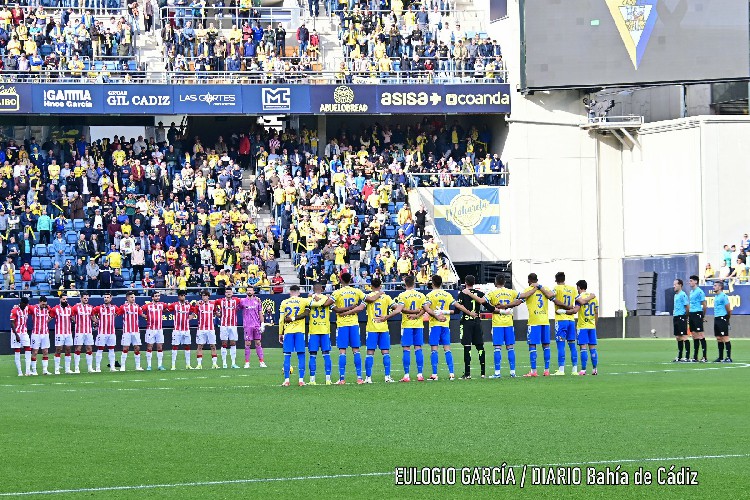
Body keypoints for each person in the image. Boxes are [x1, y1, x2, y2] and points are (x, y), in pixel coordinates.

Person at [472, 275, 519, 378]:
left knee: (497, 348)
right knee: (510, 347)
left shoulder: (492, 293)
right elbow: (522, 297)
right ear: (504, 282)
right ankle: (513, 372)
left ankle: (497, 373)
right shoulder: (511, 292)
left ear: (495, 282)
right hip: (509, 323)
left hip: (497, 324)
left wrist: (470, 294)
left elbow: (481, 301)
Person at [386, 275, 427, 382]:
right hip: (418, 325)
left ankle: (406, 375)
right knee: (418, 348)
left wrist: (386, 317)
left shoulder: (402, 295)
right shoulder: (421, 295)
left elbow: (400, 309)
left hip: (407, 324)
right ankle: (420, 374)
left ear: (405, 284)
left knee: (406, 349)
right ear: (414, 283)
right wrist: (417, 315)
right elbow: (425, 308)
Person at [330, 272, 367, 384]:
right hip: (354, 324)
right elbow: (367, 299)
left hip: (342, 324)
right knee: (356, 350)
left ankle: (342, 379)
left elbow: (330, 304)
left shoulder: (337, 292)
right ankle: (359, 378)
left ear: (341, 280)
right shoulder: (356, 291)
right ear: (350, 280)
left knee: (342, 351)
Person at [517, 273, 554, 377]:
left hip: (534, 322)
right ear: (537, 280)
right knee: (546, 345)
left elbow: (518, 301)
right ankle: (546, 371)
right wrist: (540, 287)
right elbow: (551, 295)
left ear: (529, 280)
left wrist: (505, 306)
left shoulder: (528, 290)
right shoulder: (545, 289)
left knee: (532, 345)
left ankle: (534, 371)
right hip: (545, 321)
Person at [455, 275, 488, 379]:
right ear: (474, 283)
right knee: (480, 347)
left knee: (467, 347)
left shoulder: (462, 293)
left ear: (465, 282)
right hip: (477, 322)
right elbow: (487, 305)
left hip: (466, 322)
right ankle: (483, 373)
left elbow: (457, 310)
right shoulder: (480, 293)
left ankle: (467, 373)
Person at [279, 285, 311, 386]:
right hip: (300, 331)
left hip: (288, 331)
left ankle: (286, 380)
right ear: (299, 292)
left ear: (290, 292)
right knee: (301, 355)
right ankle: (301, 380)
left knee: (287, 355)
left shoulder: (284, 302)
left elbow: (281, 320)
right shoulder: (304, 301)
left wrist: (280, 333)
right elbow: (313, 305)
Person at [364, 278, 394, 383]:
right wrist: (386, 316)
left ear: (371, 286)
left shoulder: (368, 296)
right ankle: (387, 377)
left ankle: (368, 378)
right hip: (383, 327)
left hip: (372, 327)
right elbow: (396, 308)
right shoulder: (386, 297)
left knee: (370, 352)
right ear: (380, 286)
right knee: (385, 352)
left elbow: (361, 307)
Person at [550, 272, 579, 375]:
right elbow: (579, 300)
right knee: (572, 345)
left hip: (561, 320)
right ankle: (574, 370)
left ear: (556, 280)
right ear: (564, 279)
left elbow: (550, 295)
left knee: (561, 345)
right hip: (571, 320)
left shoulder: (557, 288)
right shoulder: (572, 289)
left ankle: (561, 370)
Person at [569, 280, 599, 375]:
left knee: (583, 347)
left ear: (578, 287)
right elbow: (596, 312)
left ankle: (583, 370)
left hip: (582, 326)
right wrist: (595, 324)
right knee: (592, 348)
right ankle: (594, 369)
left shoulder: (579, 297)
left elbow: (576, 309)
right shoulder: (594, 297)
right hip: (591, 326)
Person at [307, 282, 333, 385]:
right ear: (322, 289)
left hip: (314, 330)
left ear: (313, 289)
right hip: (325, 330)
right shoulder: (327, 298)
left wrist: (312, 296)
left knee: (312, 355)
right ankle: (328, 379)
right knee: (326, 355)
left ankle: (312, 380)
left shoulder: (310, 299)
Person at [238, 287, 266, 368]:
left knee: (258, 343)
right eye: (248, 290)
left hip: (256, 325)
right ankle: (247, 362)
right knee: (248, 344)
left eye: (251, 290)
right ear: (246, 292)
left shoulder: (257, 301)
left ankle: (261, 362)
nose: (249, 291)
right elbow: (236, 308)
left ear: (253, 292)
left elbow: (260, 313)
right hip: (247, 325)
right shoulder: (242, 301)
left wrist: (262, 324)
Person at [116, 291, 143, 371]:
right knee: (125, 348)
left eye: (134, 297)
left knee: (137, 348)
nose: (133, 299)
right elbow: (116, 314)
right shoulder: (123, 307)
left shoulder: (137, 307)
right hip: (126, 331)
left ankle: (138, 366)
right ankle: (123, 366)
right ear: (127, 298)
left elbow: (142, 315)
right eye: (131, 297)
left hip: (136, 331)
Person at [192, 290, 219, 369]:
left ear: (208, 296)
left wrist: (222, 314)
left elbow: (217, 313)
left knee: (213, 345)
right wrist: (186, 318)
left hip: (211, 329)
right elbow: (193, 314)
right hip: (201, 329)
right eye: (203, 296)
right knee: (200, 346)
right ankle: (199, 364)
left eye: (205, 295)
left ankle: (214, 364)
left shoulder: (212, 305)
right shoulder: (198, 305)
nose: (204, 297)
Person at [166, 291, 194, 370]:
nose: (183, 297)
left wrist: (192, 316)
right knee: (175, 346)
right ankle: (173, 365)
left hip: (186, 329)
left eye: (184, 295)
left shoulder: (188, 305)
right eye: (181, 295)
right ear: (178, 297)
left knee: (187, 346)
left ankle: (188, 365)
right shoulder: (175, 305)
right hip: (177, 330)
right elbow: (166, 309)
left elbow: (195, 310)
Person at [92, 293, 118, 373]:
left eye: (107, 297)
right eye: (105, 297)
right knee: (100, 349)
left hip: (111, 332)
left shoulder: (114, 308)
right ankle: (97, 368)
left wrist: (114, 317)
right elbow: (91, 313)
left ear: (111, 298)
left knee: (112, 349)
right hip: (102, 332)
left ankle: (112, 367)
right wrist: (95, 320)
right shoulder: (99, 308)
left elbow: (118, 313)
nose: (106, 299)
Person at [140, 290, 166, 371]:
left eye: (158, 296)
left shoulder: (162, 305)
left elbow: (168, 309)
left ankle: (160, 365)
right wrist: (145, 316)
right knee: (149, 346)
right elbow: (139, 310)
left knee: (160, 346)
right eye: (156, 296)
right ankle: (149, 365)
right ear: (152, 297)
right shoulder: (148, 306)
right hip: (150, 329)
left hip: (159, 329)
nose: (157, 297)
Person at [217, 288, 241, 368]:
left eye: (229, 292)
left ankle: (233, 363)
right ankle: (224, 363)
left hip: (233, 325)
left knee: (233, 343)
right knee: (224, 343)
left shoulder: (236, 300)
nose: (228, 293)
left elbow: (245, 301)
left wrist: (256, 298)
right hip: (224, 325)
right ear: (225, 293)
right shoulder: (221, 301)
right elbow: (212, 303)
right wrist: (216, 313)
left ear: (232, 293)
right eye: (227, 292)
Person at [28, 296, 52, 376]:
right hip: (36, 333)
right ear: (39, 302)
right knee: (35, 351)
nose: (44, 306)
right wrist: (16, 306)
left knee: (45, 351)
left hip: (45, 333)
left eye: (45, 304)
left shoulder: (48, 308)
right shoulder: (33, 308)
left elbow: (52, 314)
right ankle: (34, 370)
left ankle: (45, 370)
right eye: (43, 304)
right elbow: (24, 308)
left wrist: (47, 321)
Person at [49, 296, 74, 375]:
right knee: (58, 349)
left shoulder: (70, 308)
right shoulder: (55, 309)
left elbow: (73, 318)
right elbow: (49, 318)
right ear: (60, 299)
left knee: (68, 349)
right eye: (63, 299)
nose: (65, 300)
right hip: (59, 332)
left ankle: (67, 369)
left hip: (68, 332)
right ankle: (57, 369)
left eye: (66, 299)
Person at [71, 293, 95, 373]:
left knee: (89, 348)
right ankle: (76, 367)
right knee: (78, 348)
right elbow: (71, 316)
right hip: (79, 332)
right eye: (85, 298)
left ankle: (90, 367)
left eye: (87, 298)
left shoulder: (90, 307)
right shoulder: (76, 307)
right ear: (81, 298)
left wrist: (98, 321)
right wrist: (77, 322)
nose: (86, 299)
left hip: (88, 331)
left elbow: (92, 317)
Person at [688, 275, 708, 362]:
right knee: (694, 335)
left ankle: (704, 357)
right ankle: (695, 356)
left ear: (696, 281)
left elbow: (704, 305)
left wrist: (702, 316)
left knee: (700, 335)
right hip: (692, 314)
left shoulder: (699, 291)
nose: (689, 282)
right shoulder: (691, 292)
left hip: (697, 313)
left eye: (691, 281)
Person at [10, 296, 32, 377]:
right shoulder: (14, 310)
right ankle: (20, 372)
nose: (26, 305)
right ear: (21, 303)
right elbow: (12, 323)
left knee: (28, 349)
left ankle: (28, 371)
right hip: (16, 332)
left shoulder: (26, 308)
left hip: (24, 332)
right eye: (25, 304)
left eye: (27, 304)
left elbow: (35, 307)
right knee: (17, 350)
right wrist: (16, 335)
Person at [712, 280, 733, 363]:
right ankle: (720, 357)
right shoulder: (716, 296)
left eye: (715, 285)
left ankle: (728, 357)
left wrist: (727, 318)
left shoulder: (723, 296)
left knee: (725, 337)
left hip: (722, 318)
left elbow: (729, 309)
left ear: (720, 287)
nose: (713, 287)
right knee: (718, 338)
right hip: (716, 318)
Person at [672, 279, 690, 362]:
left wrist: (685, 316)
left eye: (675, 284)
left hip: (681, 317)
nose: (674, 286)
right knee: (678, 337)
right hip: (676, 316)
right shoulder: (676, 295)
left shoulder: (683, 294)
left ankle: (687, 356)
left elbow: (687, 307)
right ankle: (679, 356)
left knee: (684, 336)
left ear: (680, 285)